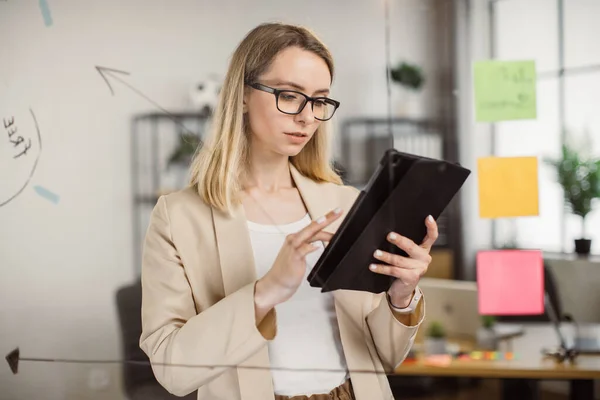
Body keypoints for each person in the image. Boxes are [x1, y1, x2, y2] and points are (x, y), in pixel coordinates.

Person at [139, 22, 437, 400]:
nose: (307, 117)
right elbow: (171, 368)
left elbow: (387, 355)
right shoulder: (179, 216)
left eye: (319, 100)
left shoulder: (345, 204)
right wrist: (266, 291)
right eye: (290, 95)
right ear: (243, 95)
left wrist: (401, 296)